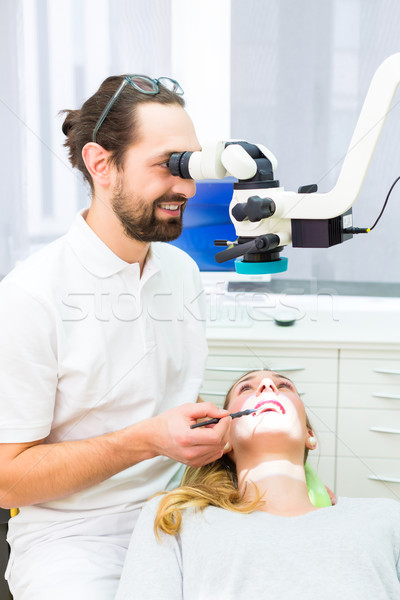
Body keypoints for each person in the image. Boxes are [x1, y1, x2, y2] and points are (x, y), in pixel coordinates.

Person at [0, 75, 232, 599]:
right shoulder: (30, 298)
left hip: (183, 514)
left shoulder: (179, 271)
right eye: (167, 165)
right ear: (101, 164)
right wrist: (147, 439)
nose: (187, 188)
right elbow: (7, 479)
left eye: (190, 165)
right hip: (75, 540)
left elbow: (165, 398)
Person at [116, 369, 400, 599]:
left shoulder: (385, 517)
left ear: (309, 435)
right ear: (223, 440)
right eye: (246, 388)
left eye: (284, 385)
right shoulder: (174, 517)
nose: (267, 385)